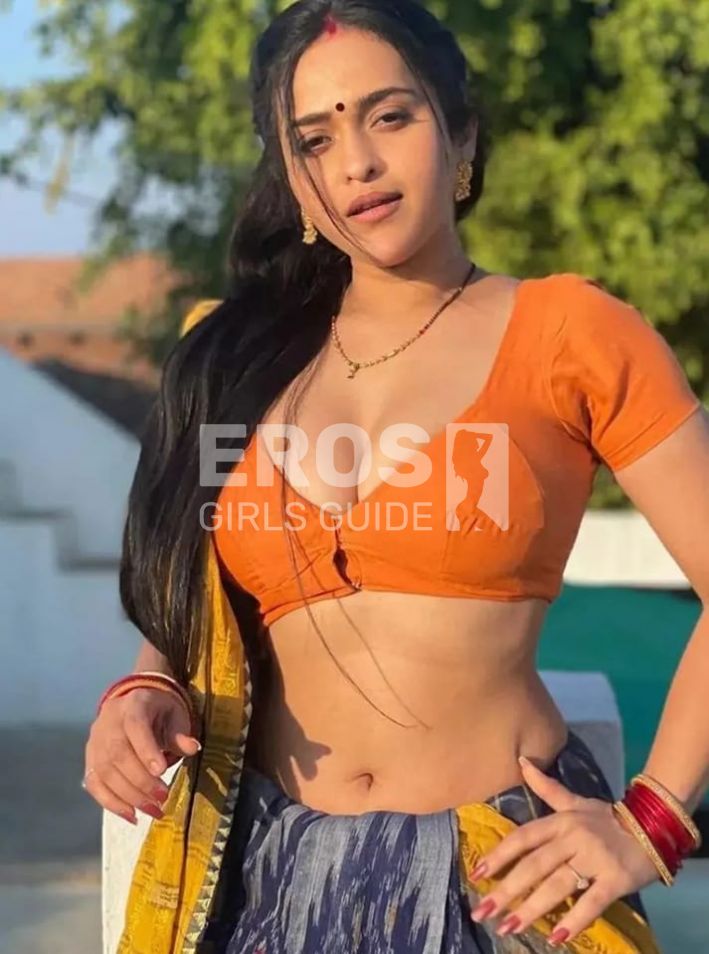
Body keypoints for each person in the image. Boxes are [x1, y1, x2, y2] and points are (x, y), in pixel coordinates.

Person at [82, 2, 709, 952]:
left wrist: (649, 822)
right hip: (269, 881)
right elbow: (191, 601)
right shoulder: (229, 360)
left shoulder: (568, 333)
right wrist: (145, 689)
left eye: (390, 116)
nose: (358, 164)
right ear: (293, 181)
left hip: (502, 879)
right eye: (315, 139)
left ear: (460, 136)